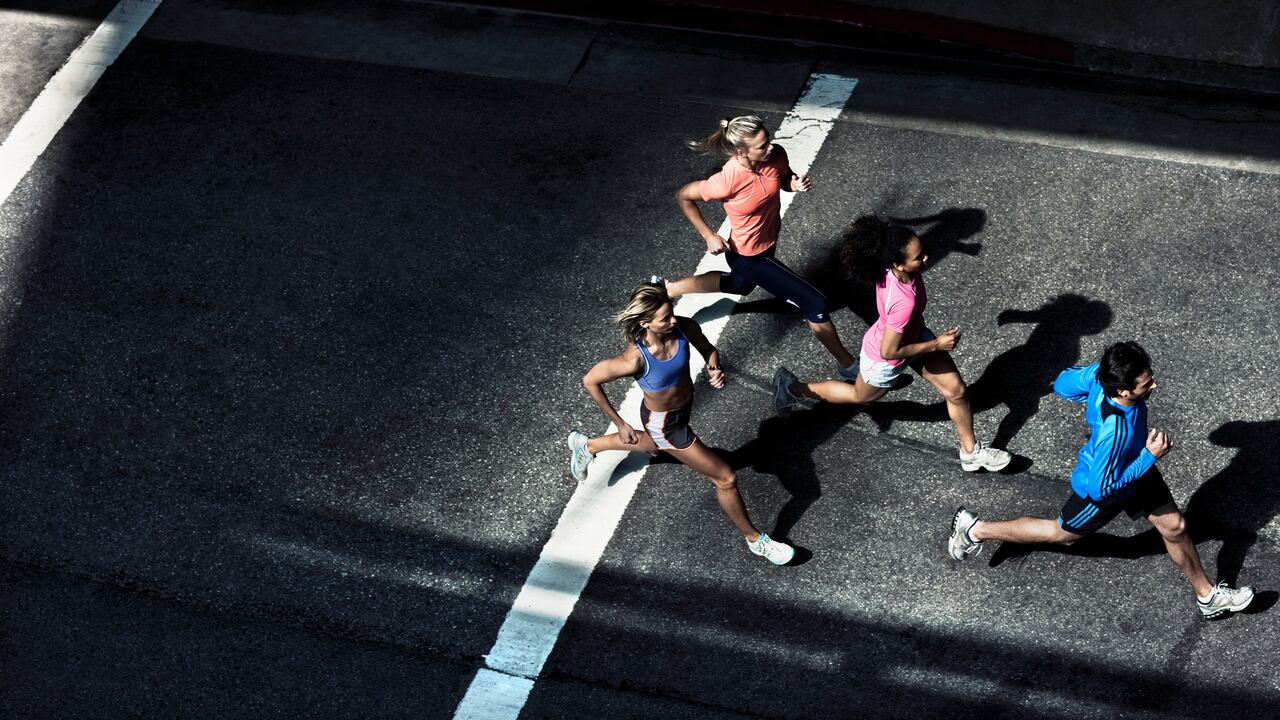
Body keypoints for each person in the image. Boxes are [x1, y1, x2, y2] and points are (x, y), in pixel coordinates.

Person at [947, 341, 1255, 619]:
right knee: (1062, 533)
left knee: (1175, 526)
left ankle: (1208, 596)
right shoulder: (1114, 431)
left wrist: (1097, 380)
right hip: (1106, 484)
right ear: (1123, 391)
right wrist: (1148, 457)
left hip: (1134, 467)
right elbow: (1101, 488)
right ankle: (975, 530)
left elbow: (1063, 384)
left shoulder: (1100, 376)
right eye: (1146, 384)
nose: (1154, 386)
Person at [566, 281, 794, 565]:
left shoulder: (683, 328)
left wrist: (714, 369)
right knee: (725, 477)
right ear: (645, 322)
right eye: (665, 318)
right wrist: (620, 423)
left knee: (654, 447)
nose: (672, 320)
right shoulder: (634, 358)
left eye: (671, 312)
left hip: (682, 410)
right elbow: (591, 380)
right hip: (666, 425)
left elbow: (709, 350)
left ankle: (588, 444)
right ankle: (755, 540)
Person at [772, 215, 1011, 472]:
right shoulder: (902, 303)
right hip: (885, 356)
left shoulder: (891, 268)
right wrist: (936, 345)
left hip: (913, 336)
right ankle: (792, 387)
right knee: (859, 396)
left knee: (956, 391)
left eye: (923, 252)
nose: (926, 259)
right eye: (918, 257)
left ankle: (971, 452)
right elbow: (889, 351)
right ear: (898, 264)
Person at [666, 115, 859, 378]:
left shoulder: (775, 154)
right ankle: (848, 366)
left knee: (740, 286)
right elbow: (683, 195)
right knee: (815, 302)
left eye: (768, 140)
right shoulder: (726, 180)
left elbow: (782, 179)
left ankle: (670, 288)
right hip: (747, 255)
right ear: (739, 151)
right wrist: (708, 234)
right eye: (761, 146)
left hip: (768, 242)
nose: (769, 147)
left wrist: (794, 184)